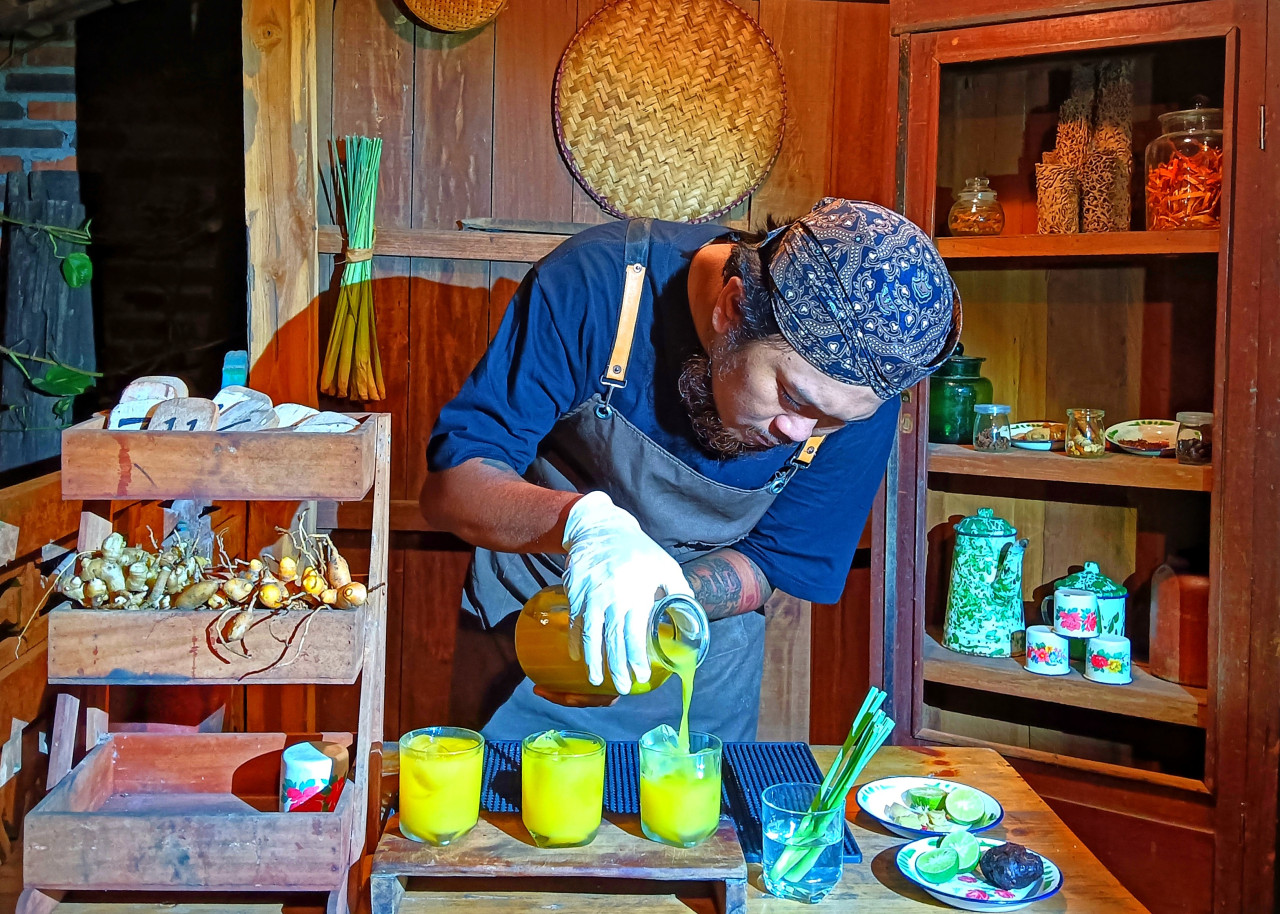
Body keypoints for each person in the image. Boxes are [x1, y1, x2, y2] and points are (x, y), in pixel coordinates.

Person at [421, 198, 961, 742]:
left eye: (833, 421)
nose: (800, 433)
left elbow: (774, 559)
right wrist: (584, 525)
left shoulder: (860, 395)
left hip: (696, 676)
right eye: (792, 397)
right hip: (531, 641)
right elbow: (453, 484)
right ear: (731, 305)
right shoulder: (600, 287)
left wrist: (662, 603)